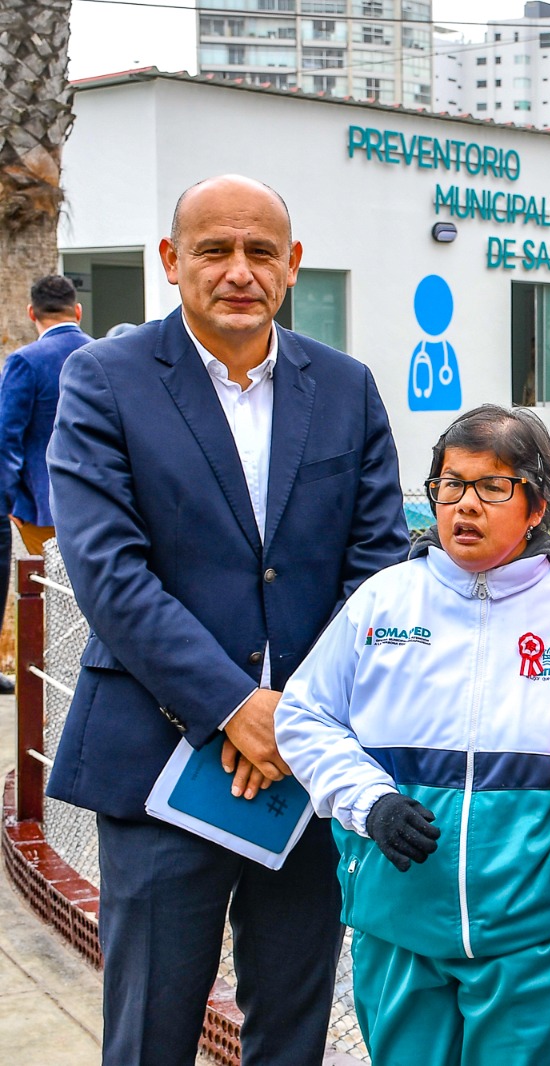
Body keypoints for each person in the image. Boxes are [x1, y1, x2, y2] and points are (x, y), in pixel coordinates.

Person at [45, 174, 409, 1066]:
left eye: (258, 251)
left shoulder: (349, 388)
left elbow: (377, 570)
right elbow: (109, 573)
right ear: (172, 262)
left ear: (292, 265)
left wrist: (295, 717)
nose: (238, 270)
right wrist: (236, 709)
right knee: (150, 1034)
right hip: (159, 762)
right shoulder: (103, 380)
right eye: (214, 249)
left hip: (307, 776)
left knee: (292, 1032)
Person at [276, 405, 550, 1066]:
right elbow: (303, 716)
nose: (466, 505)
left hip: (535, 933)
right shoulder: (383, 601)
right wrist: (371, 801)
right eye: (450, 485)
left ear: (537, 505)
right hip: (398, 923)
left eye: (493, 487)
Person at [0, 274, 91, 694]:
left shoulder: (25, 362)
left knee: (45, 600)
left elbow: (6, 438)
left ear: (32, 313)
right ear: (77, 311)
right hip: (98, 504)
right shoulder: (103, 354)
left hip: (38, 506)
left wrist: (8, 503)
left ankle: (46, 685)